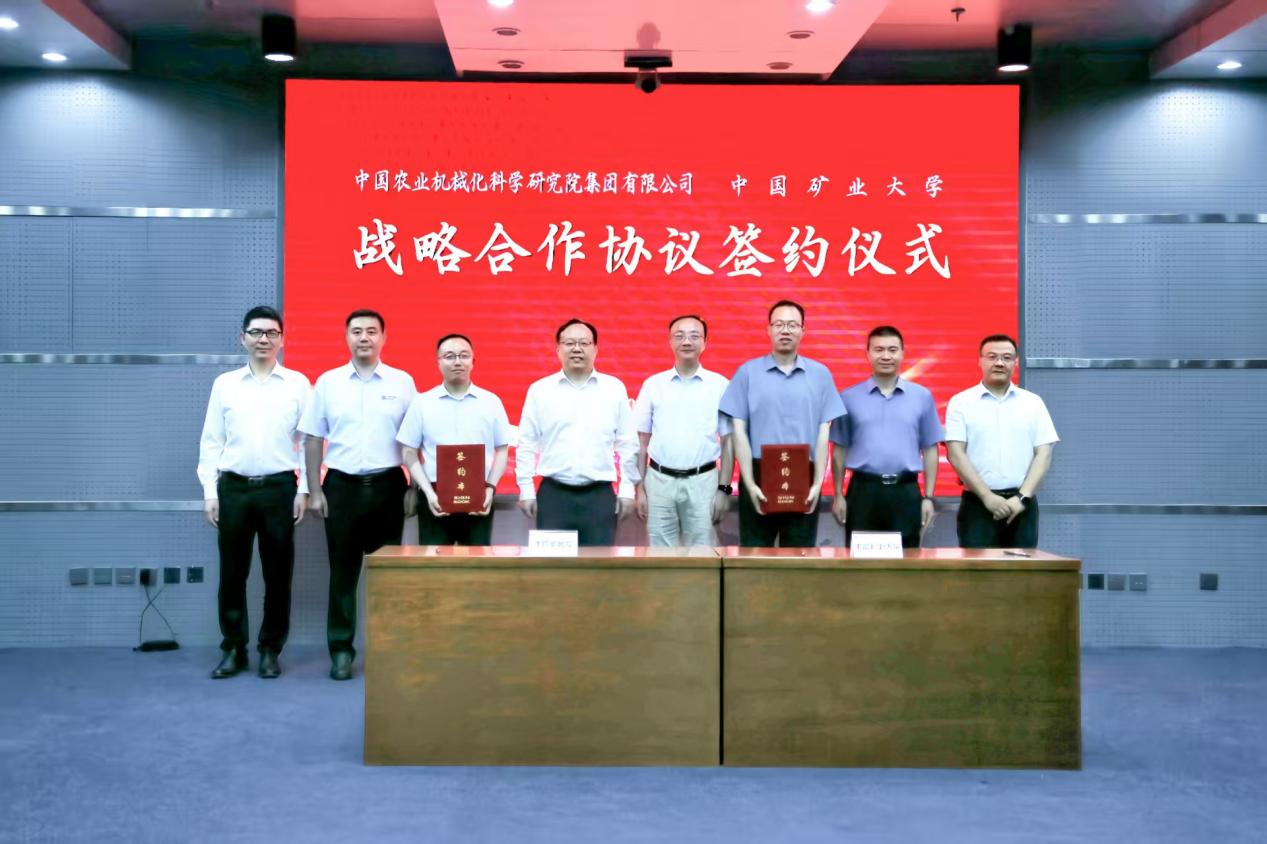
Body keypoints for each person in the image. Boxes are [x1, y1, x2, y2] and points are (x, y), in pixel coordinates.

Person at [299, 309, 416, 680]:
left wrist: (414, 486)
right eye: (357, 331)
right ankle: (341, 651)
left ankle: (386, 650)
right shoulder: (328, 383)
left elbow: (415, 440)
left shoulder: (402, 382)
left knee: (387, 576)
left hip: (388, 487)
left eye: (371, 331)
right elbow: (313, 438)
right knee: (343, 574)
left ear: (384, 337)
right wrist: (315, 489)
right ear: (346, 337)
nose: (364, 337)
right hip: (341, 488)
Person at [197, 305, 310, 680]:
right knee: (232, 574)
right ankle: (233, 648)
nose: (264, 339)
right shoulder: (225, 385)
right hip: (234, 489)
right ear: (242, 338)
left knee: (278, 575)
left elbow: (307, 442)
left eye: (272, 333)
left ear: (282, 339)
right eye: (256, 332)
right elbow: (211, 441)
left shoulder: (297, 384)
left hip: (280, 489)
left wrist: (304, 489)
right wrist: (210, 492)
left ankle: (270, 649)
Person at [719, 300, 845, 548]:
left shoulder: (820, 374)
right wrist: (749, 483)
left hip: (804, 475)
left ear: (803, 330)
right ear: (768, 329)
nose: (785, 330)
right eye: (779, 324)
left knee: (799, 556)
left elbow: (823, 433)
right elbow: (738, 433)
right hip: (757, 472)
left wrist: (817, 484)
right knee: (755, 554)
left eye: (792, 325)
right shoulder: (747, 373)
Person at [515, 318, 639, 546]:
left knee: (599, 563)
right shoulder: (540, 390)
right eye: (569, 343)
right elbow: (527, 443)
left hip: (599, 495)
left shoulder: (614, 389)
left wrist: (627, 488)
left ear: (596, 349)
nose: (577, 348)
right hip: (553, 495)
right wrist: (525, 488)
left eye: (584, 343)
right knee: (553, 565)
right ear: (558, 349)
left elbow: (628, 444)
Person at [830, 326, 944, 549]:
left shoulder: (922, 397)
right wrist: (838, 495)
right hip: (863, 491)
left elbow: (930, 449)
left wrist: (928, 497)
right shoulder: (848, 397)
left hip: (906, 491)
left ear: (902, 353)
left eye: (892, 350)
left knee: (907, 560)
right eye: (879, 349)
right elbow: (839, 451)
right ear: (867, 354)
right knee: (860, 561)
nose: (886, 356)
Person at [945, 334, 1059, 548]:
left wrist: (1021, 498)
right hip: (977, 505)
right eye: (992, 357)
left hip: (1022, 506)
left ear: (1015, 362)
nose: (999, 363)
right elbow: (955, 453)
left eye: (1007, 357)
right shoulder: (961, 402)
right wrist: (987, 497)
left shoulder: (1033, 403)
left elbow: (1044, 453)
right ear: (979, 361)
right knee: (976, 568)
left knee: (1024, 568)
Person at [397, 333, 511, 545]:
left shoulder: (491, 402)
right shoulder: (422, 403)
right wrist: (428, 492)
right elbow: (408, 451)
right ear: (438, 362)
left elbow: (503, 450)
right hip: (434, 497)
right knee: (434, 563)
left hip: (479, 496)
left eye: (463, 355)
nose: (457, 362)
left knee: (477, 563)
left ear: (473, 361)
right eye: (449, 356)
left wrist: (490, 488)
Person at [633, 314, 734, 546]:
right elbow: (641, 443)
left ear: (705, 343)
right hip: (658, 481)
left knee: (703, 552)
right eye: (679, 336)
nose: (686, 341)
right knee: (660, 553)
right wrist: (640, 488)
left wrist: (724, 489)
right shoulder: (653, 385)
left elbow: (729, 442)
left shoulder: (720, 385)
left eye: (694, 336)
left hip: (704, 481)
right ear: (670, 342)